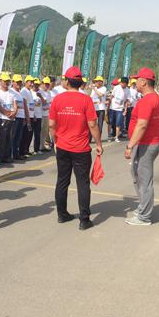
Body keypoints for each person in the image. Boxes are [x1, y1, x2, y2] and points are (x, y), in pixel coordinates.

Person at [49, 66, 103, 230]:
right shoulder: (86, 99)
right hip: (80, 148)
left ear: (66, 81)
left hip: (63, 147)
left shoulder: (58, 99)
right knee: (82, 183)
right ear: (80, 83)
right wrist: (99, 144)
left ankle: (62, 214)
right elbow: (92, 124)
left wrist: (56, 141)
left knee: (62, 180)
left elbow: (51, 124)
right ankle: (84, 219)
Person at [124, 68, 159, 226]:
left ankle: (144, 216)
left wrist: (129, 145)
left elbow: (141, 125)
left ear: (144, 82)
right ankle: (143, 207)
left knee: (144, 180)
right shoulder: (156, 99)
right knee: (137, 175)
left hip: (147, 144)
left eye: (137, 79)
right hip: (147, 143)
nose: (135, 82)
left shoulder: (147, 100)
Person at [0, 72, 17, 164]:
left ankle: (6, 157)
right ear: (0, 81)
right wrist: (7, 113)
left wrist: (14, 112)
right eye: (5, 81)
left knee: (9, 138)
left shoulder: (11, 92)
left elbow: (15, 104)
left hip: (11, 118)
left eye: (8, 81)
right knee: (2, 138)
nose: (7, 83)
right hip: (2, 118)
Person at [11, 74, 27, 160]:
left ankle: (16, 154)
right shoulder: (11, 92)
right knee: (13, 136)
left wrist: (24, 117)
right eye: (17, 82)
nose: (19, 84)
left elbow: (23, 107)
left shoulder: (20, 93)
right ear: (13, 82)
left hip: (21, 117)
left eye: (20, 82)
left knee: (18, 136)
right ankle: (12, 154)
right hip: (15, 118)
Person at [109, 77, 130, 142]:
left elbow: (127, 101)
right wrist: (108, 107)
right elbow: (111, 97)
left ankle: (116, 137)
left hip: (120, 109)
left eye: (123, 83)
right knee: (110, 122)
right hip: (112, 108)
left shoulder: (127, 90)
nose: (121, 84)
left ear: (126, 84)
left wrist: (125, 110)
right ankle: (109, 136)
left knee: (118, 123)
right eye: (121, 83)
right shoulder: (116, 88)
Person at [20, 75, 36, 157]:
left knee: (29, 135)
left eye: (32, 82)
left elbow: (31, 104)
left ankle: (26, 150)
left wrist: (34, 115)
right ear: (26, 82)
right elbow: (25, 104)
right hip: (27, 117)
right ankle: (22, 151)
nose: (32, 84)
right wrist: (27, 117)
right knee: (25, 135)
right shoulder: (24, 91)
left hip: (31, 116)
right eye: (30, 82)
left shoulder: (29, 91)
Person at [32, 78, 45, 154]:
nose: (37, 86)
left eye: (38, 84)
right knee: (29, 135)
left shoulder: (40, 92)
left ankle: (36, 149)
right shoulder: (30, 92)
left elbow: (44, 103)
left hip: (39, 116)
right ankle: (25, 150)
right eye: (35, 84)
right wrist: (32, 115)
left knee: (37, 133)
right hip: (32, 116)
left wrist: (40, 96)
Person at [40, 76, 53, 151]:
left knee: (45, 131)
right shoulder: (39, 92)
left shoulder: (48, 92)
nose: (47, 85)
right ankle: (39, 146)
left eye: (48, 84)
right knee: (40, 131)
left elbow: (49, 103)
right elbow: (44, 102)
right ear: (42, 84)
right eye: (45, 84)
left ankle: (43, 145)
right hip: (41, 115)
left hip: (47, 114)